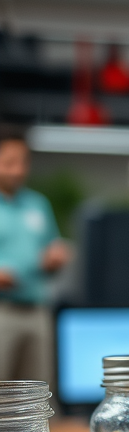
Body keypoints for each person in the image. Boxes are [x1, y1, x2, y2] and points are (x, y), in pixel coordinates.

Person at [0, 127, 69, 385]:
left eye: (22, 162)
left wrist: (55, 257)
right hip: (2, 310)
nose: (17, 170)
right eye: (9, 163)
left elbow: (52, 245)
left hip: (36, 310)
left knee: (39, 391)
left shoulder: (37, 204)